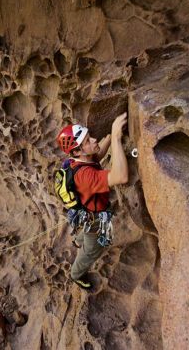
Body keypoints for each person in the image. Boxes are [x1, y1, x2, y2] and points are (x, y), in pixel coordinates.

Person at [56, 112, 128, 289]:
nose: (95, 140)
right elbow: (121, 176)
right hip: (94, 218)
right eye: (88, 141)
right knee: (92, 251)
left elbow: (98, 154)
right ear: (77, 151)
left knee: (87, 233)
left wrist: (110, 136)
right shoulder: (86, 176)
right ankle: (76, 274)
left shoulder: (80, 160)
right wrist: (117, 138)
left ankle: (78, 240)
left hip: (88, 210)